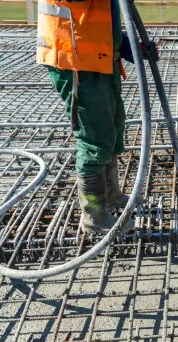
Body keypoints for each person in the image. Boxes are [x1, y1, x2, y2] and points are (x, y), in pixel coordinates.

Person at [36, 0, 157, 234]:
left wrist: (130, 47)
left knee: (112, 129)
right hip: (76, 65)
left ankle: (110, 195)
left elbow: (97, 19)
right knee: (94, 139)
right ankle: (94, 215)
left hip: (100, 62)